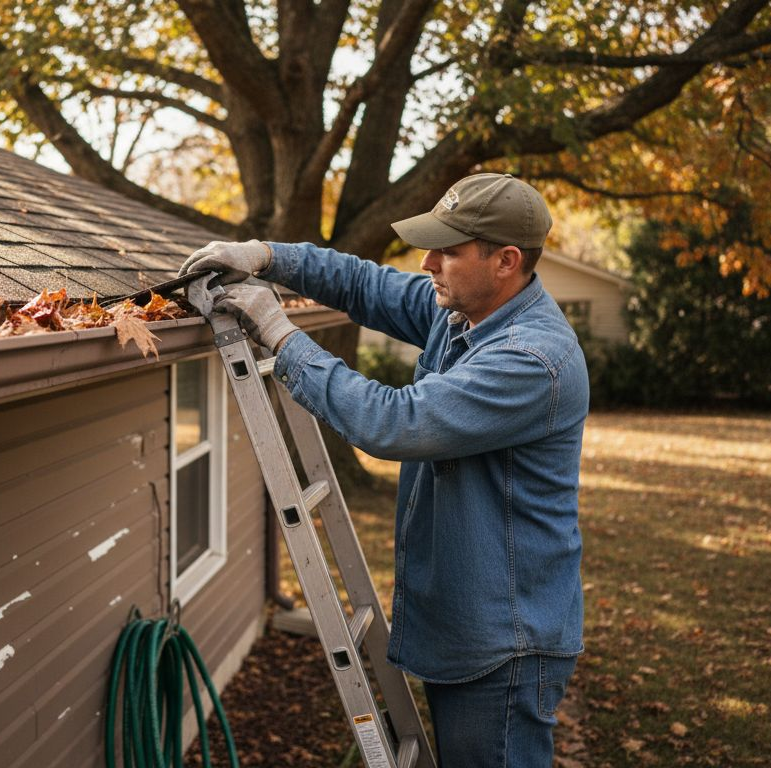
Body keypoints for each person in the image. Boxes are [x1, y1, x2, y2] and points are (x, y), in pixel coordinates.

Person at [181, 173, 587, 768]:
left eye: (448, 250)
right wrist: (267, 256)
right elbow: (365, 283)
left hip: (505, 640)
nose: (428, 262)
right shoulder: (464, 314)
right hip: (467, 623)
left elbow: (392, 424)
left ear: (506, 260)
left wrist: (277, 332)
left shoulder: (532, 359)